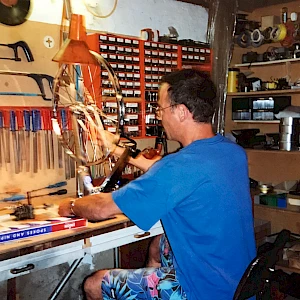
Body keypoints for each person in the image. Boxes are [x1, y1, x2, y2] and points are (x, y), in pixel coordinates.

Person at [59, 69, 256, 300]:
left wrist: (72, 206)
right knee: (158, 244)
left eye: (161, 109)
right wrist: (115, 149)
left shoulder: (178, 167)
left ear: (181, 112)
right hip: (238, 283)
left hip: (202, 291)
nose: (158, 117)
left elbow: (101, 208)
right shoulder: (231, 152)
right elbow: (169, 171)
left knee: (94, 284)